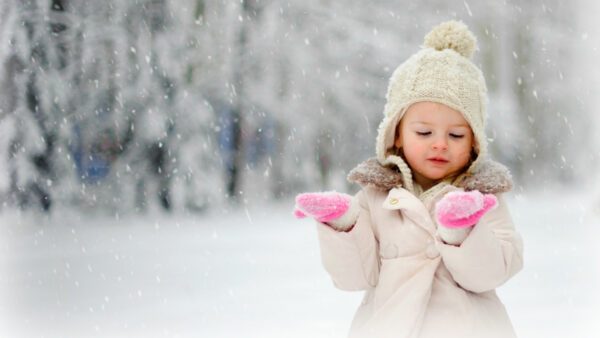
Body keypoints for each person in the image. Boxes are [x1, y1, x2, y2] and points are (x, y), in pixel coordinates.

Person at [294, 21, 523, 338]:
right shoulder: (375, 199)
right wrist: (344, 224)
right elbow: (354, 278)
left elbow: (492, 273)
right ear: (396, 135)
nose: (440, 143)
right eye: (424, 132)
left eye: (456, 134)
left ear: (474, 144)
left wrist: (462, 228)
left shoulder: (482, 199)